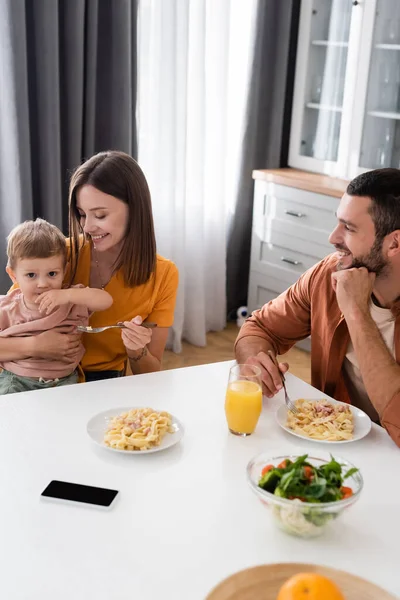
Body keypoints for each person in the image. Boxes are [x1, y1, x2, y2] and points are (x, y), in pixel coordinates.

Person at [235, 168, 400, 447]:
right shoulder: (328, 274)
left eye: (348, 228)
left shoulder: (345, 286)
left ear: (394, 243)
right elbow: (260, 327)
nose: (333, 237)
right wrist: (256, 361)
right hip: (337, 442)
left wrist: (356, 311)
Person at [3, 151, 179, 382]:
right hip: (30, 377)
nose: (87, 227)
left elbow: (150, 373)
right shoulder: (56, 256)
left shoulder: (163, 275)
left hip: (102, 382)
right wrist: (34, 345)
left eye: (100, 215)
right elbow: (8, 324)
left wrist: (137, 350)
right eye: (81, 214)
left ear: (135, 209)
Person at [0, 219, 112, 394]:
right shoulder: (7, 307)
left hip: (64, 380)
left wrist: (68, 295)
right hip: (16, 380)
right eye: (31, 275)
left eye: (52, 273)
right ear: (13, 275)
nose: (43, 283)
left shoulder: (71, 300)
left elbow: (106, 300)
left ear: (64, 271)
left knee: (71, 415)